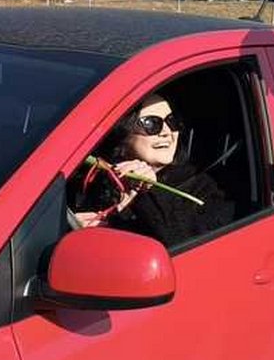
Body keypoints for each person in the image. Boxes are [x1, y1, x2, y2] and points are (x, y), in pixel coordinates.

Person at [74, 92, 234, 246]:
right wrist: (75, 229)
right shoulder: (95, 180)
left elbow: (184, 244)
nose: (166, 132)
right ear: (123, 134)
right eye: (151, 123)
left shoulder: (205, 190)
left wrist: (150, 191)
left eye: (172, 121)